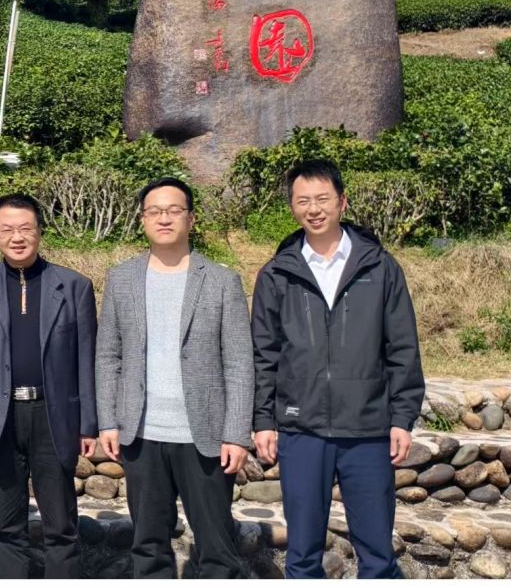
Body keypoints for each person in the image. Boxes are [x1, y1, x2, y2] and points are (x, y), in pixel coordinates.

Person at [252, 160, 425, 579]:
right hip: (301, 430)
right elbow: (264, 354)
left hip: (367, 428)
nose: (313, 209)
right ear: (292, 206)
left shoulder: (380, 268)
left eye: (322, 199)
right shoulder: (277, 273)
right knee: (302, 554)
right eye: (303, 201)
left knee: (377, 554)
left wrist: (402, 418)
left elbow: (402, 347)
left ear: (342, 202)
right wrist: (263, 420)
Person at [95, 178, 253, 578]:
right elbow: (108, 354)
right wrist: (109, 421)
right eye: (154, 211)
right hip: (141, 434)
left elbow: (239, 362)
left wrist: (236, 434)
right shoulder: (121, 278)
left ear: (191, 219)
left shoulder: (221, 280)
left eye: (173, 210)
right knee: (148, 546)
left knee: (217, 548)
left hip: (204, 436)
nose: (164, 218)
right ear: (142, 219)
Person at [0, 193, 96, 579]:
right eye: (7, 229)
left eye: (25, 228)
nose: (16, 237)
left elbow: (87, 359)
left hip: (53, 416)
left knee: (61, 525)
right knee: (6, 525)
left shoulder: (73, 286)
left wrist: (88, 424)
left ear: (39, 231)